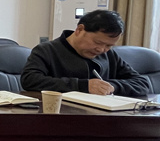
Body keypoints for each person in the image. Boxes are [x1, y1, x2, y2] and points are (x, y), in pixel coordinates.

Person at [21, 9, 150, 96]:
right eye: (97, 42)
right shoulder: (47, 50)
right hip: (61, 115)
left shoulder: (109, 55)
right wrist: (82, 86)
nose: (101, 50)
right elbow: (30, 80)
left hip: (103, 117)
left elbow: (142, 83)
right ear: (79, 29)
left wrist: (111, 86)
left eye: (109, 45)